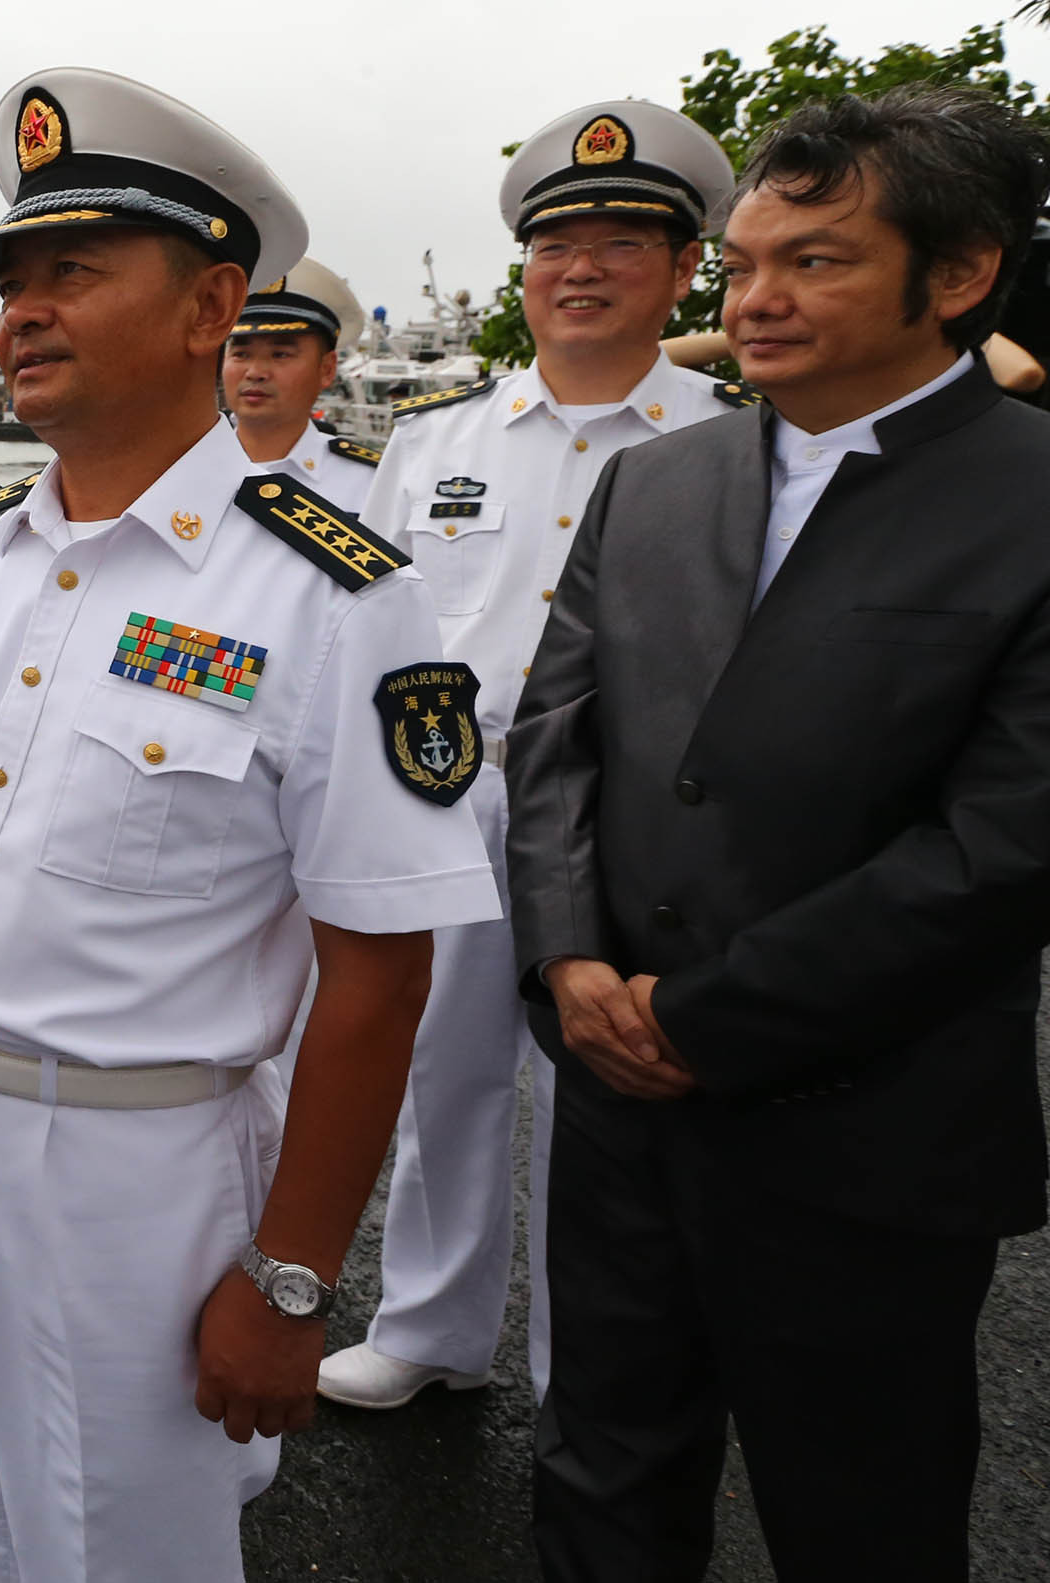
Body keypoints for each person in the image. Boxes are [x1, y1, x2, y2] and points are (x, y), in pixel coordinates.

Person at [0, 68, 498, 1582]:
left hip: (131, 1168)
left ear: (211, 305)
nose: (21, 309)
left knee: (115, 1551)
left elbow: (377, 973)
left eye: (72, 269)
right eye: (10, 275)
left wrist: (287, 1276)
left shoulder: (331, 590)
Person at [509, 84, 1050, 1583]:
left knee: (860, 1509)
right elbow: (552, 738)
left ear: (957, 273)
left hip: (861, 1127)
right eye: (742, 261)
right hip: (614, 1106)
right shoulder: (654, 479)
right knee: (597, 1471)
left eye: (814, 260)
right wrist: (570, 956)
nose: (753, 298)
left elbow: (1015, 840)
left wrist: (706, 1015)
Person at [318, 99, 747, 1414]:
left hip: (631, 806)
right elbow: (365, 627)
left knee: (601, 1090)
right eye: (557, 241)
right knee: (433, 1068)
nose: (581, 267)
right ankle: (430, 1326)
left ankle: (589, 1364)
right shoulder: (435, 438)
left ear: (682, 271)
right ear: (521, 268)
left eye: (623, 240)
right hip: (450, 783)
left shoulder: (734, 439)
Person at [221, 274, 377, 494]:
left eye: (280, 354)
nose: (255, 372)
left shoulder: (370, 486)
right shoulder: (182, 470)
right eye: (241, 354)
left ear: (327, 369)